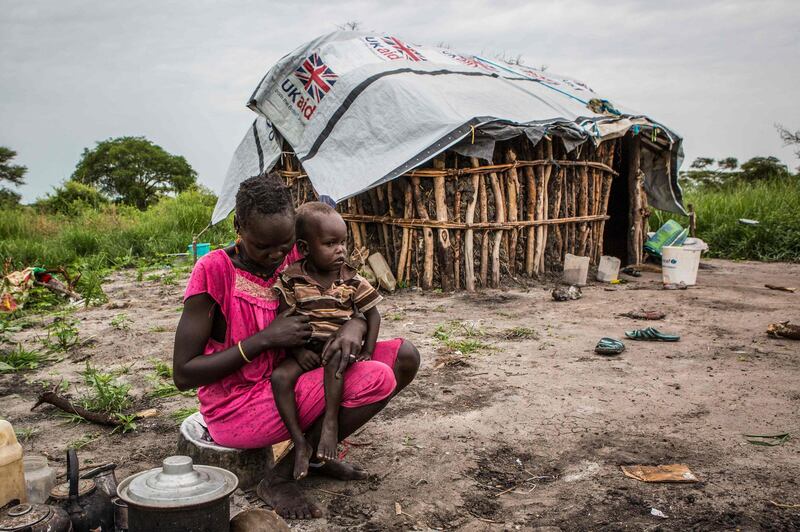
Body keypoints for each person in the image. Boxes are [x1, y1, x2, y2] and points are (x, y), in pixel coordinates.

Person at [172, 172, 420, 520]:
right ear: (238, 227)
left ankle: (316, 457)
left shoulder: (296, 257)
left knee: (404, 357)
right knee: (375, 378)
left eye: (284, 245)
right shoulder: (214, 271)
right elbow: (183, 374)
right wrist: (263, 340)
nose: (276, 256)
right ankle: (277, 479)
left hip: (304, 372)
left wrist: (355, 324)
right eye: (263, 246)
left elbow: (347, 296)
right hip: (239, 405)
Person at [271, 202, 383, 481]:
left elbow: (373, 314)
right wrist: (297, 353)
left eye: (343, 242)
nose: (341, 250)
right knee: (279, 378)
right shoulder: (292, 279)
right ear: (305, 248)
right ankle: (299, 441)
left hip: (336, 346)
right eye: (330, 243)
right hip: (306, 348)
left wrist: (368, 350)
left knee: (336, 361)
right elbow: (282, 318)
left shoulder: (350, 278)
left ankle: (330, 424)